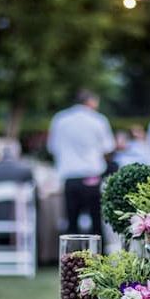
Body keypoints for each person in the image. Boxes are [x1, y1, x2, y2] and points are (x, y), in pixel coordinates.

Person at [47, 89, 115, 235]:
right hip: (92, 177)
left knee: (72, 223)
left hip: (70, 177)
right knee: (96, 224)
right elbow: (108, 147)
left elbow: (52, 147)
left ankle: (71, 257)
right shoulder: (98, 120)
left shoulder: (60, 119)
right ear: (91, 101)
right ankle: (97, 257)